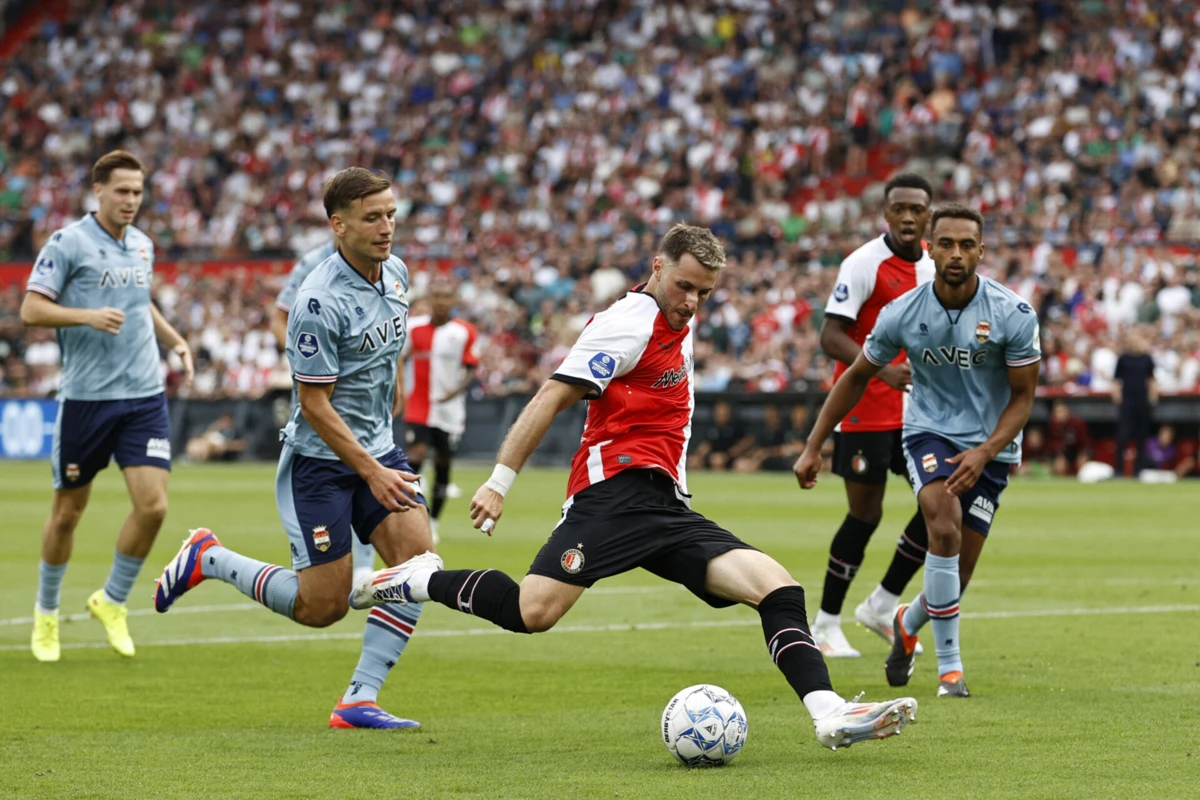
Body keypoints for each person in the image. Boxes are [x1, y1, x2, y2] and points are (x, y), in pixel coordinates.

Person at [351, 225, 918, 750]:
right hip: (615, 492)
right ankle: (421, 577)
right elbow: (552, 396)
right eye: (684, 286)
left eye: (704, 292)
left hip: (665, 502)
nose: (692, 301)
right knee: (533, 611)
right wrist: (499, 481)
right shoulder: (628, 321)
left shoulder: (680, 320)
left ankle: (829, 714)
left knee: (778, 588)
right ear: (656, 267)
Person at [153, 168, 437, 729]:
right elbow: (314, 406)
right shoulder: (317, 301)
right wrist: (372, 473)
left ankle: (360, 698)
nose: (387, 228)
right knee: (321, 607)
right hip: (323, 465)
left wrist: (393, 377)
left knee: (417, 565)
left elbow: (390, 336)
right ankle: (209, 557)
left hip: (380, 447)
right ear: (338, 225)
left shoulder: (397, 272)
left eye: (391, 215)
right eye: (372, 218)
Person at [794, 205, 1040, 699]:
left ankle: (908, 619)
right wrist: (813, 445)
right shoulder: (903, 312)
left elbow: (1023, 398)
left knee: (960, 572)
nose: (956, 253)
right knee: (941, 524)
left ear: (981, 251)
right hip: (928, 431)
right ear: (929, 249)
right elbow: (856, 376)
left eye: (966, 244)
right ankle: (951, 670)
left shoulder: (1013, 313)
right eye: (945, 243)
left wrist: (986, 452)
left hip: (990, 447)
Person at [21, 150, 195, 663]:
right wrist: (86, 317)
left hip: (143, 396)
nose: (131, 201)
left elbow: (141, 308)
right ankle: (46, 614)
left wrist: (175, 339)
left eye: (138, 192)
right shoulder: (68, 243)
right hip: (87, 400)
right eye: (122, 191)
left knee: (154, 506)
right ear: (97, 190)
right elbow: (32, 307)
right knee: (67, 514)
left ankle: (112, 601)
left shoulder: (142, 245)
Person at [808, 173, 936, 658]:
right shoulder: (864, 263)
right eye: (898, 208)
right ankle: (825, 622)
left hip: (918, 413)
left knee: (941, 503)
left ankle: (883, 605)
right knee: (865, 515)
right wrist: (881, 372)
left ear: (928, 214)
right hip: (864, 409)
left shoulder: (932, 266)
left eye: (916, 209)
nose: (907, 217)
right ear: (886, 214)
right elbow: (830, 336)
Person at [271, 240, 379, 583]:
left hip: (369, 396)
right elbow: (279, 318)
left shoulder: (387, 265)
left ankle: (364, 564)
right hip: (324, 391)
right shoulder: (311, 265)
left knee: (369, 468)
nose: (383, 225)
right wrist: (304, 362)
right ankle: (326, 559)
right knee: (333, 463)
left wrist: (398, 377)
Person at [401, 279, 480, 542]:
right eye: (437, 297)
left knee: (443, 462)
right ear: (430, 299)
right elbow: (399, 358)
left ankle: (433, 520)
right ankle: (414, 514)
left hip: (449, 411)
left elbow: (471, 367)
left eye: (446, 298)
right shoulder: (414, 328)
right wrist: (399, 388)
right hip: (418, 404)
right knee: (417, 453)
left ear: (454, 302)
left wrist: (455, 392)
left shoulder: (465, 332)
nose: (441, 302)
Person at [1112, 329, 1157, 478]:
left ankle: (1139, 471)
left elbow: (1151, 380)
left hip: (1142, 403)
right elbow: (1116, 380)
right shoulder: (1123, 359)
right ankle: (1119, 470)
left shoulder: (1147, 359)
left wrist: (1152, 397)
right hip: (1127, 403)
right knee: (1122, 437)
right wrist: (1118, 397)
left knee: (1141, 438)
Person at [1044, 400, 1090, 476]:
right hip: (1063, 452)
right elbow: (1052, 444)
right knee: (1059, 465)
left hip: (1078, 450)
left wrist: (1084, 454)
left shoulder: (1077, 423)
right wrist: (1058, 456)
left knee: (1082, 464)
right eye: (1057, 412)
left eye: (1062, 411)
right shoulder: (1053, 425)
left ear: (1067, 411)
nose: (1060, 414)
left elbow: (1085, 442)